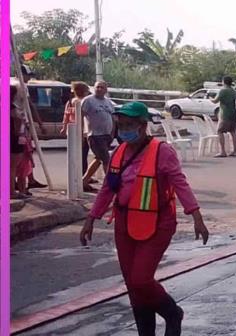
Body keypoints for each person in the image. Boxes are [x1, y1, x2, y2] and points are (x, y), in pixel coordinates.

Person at [79, 102, 210, 335]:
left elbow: (180, 184)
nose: (125, 130)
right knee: (132, 284)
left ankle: (172, 313)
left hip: (158, 223)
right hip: (125, 223)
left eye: (130, 125)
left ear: (143, 126)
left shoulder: (162, 151)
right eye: (122, 125)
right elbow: (108, 189)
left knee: (141, 279)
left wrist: (196, 217)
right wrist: (91, 218)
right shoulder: (118, 152)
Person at [81, 81, 116, 181]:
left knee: (99, 158)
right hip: (95, 135)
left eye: (102, 88)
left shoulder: (108, 102)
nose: (99, 89)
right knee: (106, 159)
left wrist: (112, 133)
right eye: (97, 87)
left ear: (106, 90)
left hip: (107, 135)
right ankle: (109, 183)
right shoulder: (88, 100)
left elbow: (113, 118)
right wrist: (81, 132)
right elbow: (81, 115)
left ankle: (84, 180)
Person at [212, 77, 236, 157]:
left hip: (225, 114)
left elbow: (215, 101)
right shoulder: (233, 91)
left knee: (220, 131)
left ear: (224, 82)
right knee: (233, 132)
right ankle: (235, 151)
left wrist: (211, 99)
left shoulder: (223, 90)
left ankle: (223, 151)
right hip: (233, 114)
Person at [11, 86, 28, 199]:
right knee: (12, 167)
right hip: (13, 139)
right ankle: (11, 191)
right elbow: (18, 128)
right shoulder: (12, 108)